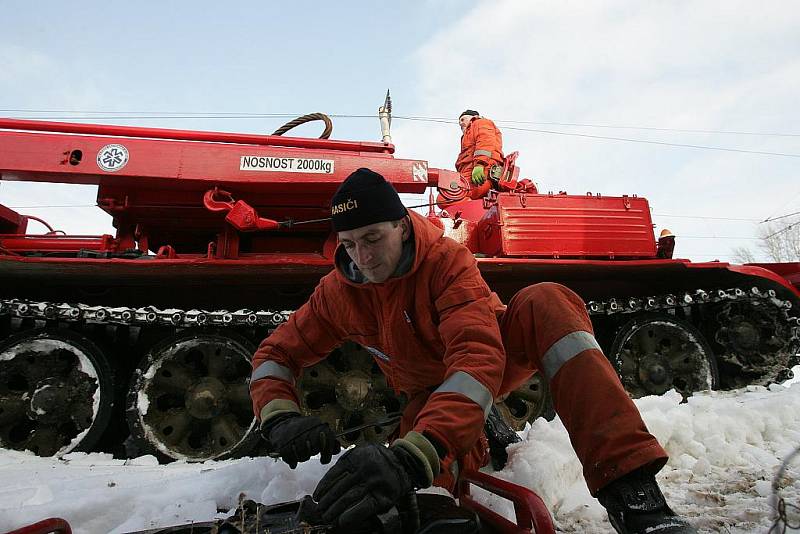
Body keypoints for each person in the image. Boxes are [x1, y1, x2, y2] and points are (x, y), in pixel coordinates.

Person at [250, 168, 697, 534]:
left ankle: (636, 501)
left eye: (372, 239)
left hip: (498, 354)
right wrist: (279, 415)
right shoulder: (337, 292)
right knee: (429, 498)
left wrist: (414, 453)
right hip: (429, 394)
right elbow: (275, 355)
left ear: (402, 227)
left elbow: (477, 358)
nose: (362, 258)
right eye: (348, 245)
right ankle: (483, 430)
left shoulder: (446, 261)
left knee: (547, 301)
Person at [455, 109, 504, 189]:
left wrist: (480, 164)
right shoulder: (465, 136)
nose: (460, 123)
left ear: (473, 117)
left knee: (447, 197)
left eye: (463, 119)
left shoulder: (480, 123)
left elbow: (485, 142)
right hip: (467, 174)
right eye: (459, 122)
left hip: (482, 171)